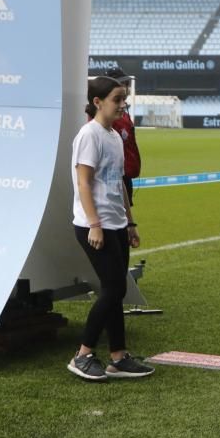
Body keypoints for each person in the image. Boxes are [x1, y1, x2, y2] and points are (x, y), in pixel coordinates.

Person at [68, 75, 154, 381]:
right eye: (117, 99)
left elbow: (118, 183)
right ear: (97, 102)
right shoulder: (88, 135)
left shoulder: (116, 136)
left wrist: (129, 222)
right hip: (94, 225)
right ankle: (82, 355)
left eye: (124, 99)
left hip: (116, 223)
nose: (122, 105)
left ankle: (118, 357)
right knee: (116, 287)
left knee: (114, 290)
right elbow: (83, 183)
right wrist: (95, 224)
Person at [104, 67, 142, 205]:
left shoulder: (123, 113)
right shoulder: (104, 115)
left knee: (125, 220)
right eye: (122, 83)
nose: (125, 87)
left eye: (126, 83)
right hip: (111, 177)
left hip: (125, 176)